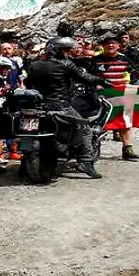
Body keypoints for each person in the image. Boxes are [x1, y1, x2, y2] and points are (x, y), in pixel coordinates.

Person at [25, 38, 106, 179]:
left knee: (29, 132)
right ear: (57, 50)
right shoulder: (66, 64)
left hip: (38, 106)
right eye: (66, 50)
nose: (68, 53)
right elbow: (85, 77)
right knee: (85, 129)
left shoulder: (34, 64)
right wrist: (101, 80)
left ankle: (23, 166)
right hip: (60, 106)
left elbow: (29, 83)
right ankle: (86, 162)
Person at [92, 34, 139, 161]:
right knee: (97, 122)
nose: (110, 45)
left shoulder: (124, 59)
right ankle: (91, 150)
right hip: (101, 96)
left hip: (120, 94)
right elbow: (88, 76)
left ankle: (127, 149)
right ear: (103, 46)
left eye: (113, 43)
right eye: (107, 43)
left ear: (118, 46)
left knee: (124, 122)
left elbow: (135, 72)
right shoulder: (95, 60)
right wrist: (96, 85)